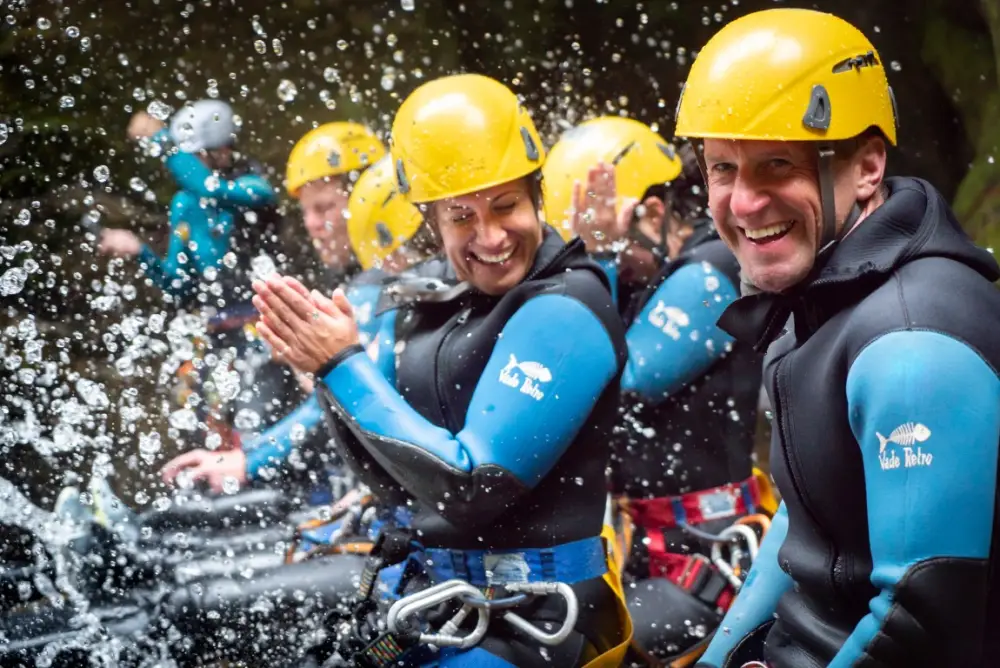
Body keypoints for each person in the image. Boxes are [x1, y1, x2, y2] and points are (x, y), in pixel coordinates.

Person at [251, 73, 633, 667]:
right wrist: (324, 373)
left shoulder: (568, 306)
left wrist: (340, 364)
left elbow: (471, 486)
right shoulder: (427, 298)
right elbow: (388, 478)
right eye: (461, 217)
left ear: (536, 193)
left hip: (537, 624)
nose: (491, 236)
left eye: (506, 205)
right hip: (440, 602)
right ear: (429, 218)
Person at [669, 8, 1000, 668]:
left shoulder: (910, 343)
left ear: (868, 166)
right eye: (723, 168)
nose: (743, 203)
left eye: (777, 164)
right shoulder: (827, 293)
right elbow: (810, 517)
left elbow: (919, 623)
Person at [544, 116, 774, 666]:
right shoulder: (656, 276)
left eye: (609, 243)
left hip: (705, 555)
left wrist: (598, 259)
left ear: (651, 214)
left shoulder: (715, 267)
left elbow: (618, 383)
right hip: (650, 545)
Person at [160, 145, 433, 495]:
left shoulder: (380, 288)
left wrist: (248, 462)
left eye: (324, 208)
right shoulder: (378, 283)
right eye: (305, 212)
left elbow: (349, 397)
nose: (312, 225)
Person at [100, 100, 297, 452]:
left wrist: (162, 142)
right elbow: (178, 287)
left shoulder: (255, 189)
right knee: (201, 431)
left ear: (222, 151)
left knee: (256, 424)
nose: (187, 168)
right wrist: (140, 251)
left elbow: (211, 187)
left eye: (195, 157)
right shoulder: (186, 205)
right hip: (214, 338)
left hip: (260, 333)